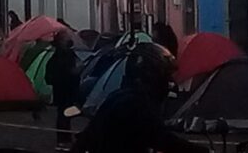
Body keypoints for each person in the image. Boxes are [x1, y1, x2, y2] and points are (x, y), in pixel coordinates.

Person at [72, 44, 207, 153]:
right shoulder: (135, 104)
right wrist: (199, 150)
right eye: (165, 75)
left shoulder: (121, 96)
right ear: (152, 74)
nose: (169, 81)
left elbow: (89, 134)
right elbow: (159, 137)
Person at [45, 31, 80, 151]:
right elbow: (64, 72)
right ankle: (63, 139)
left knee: (65, 114)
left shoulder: (62, 54)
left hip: (64, 89)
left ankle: (65, 138)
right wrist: (74, 72)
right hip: (65, 89)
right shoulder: (63, 55)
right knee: (64, 115)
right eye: (66, 38)